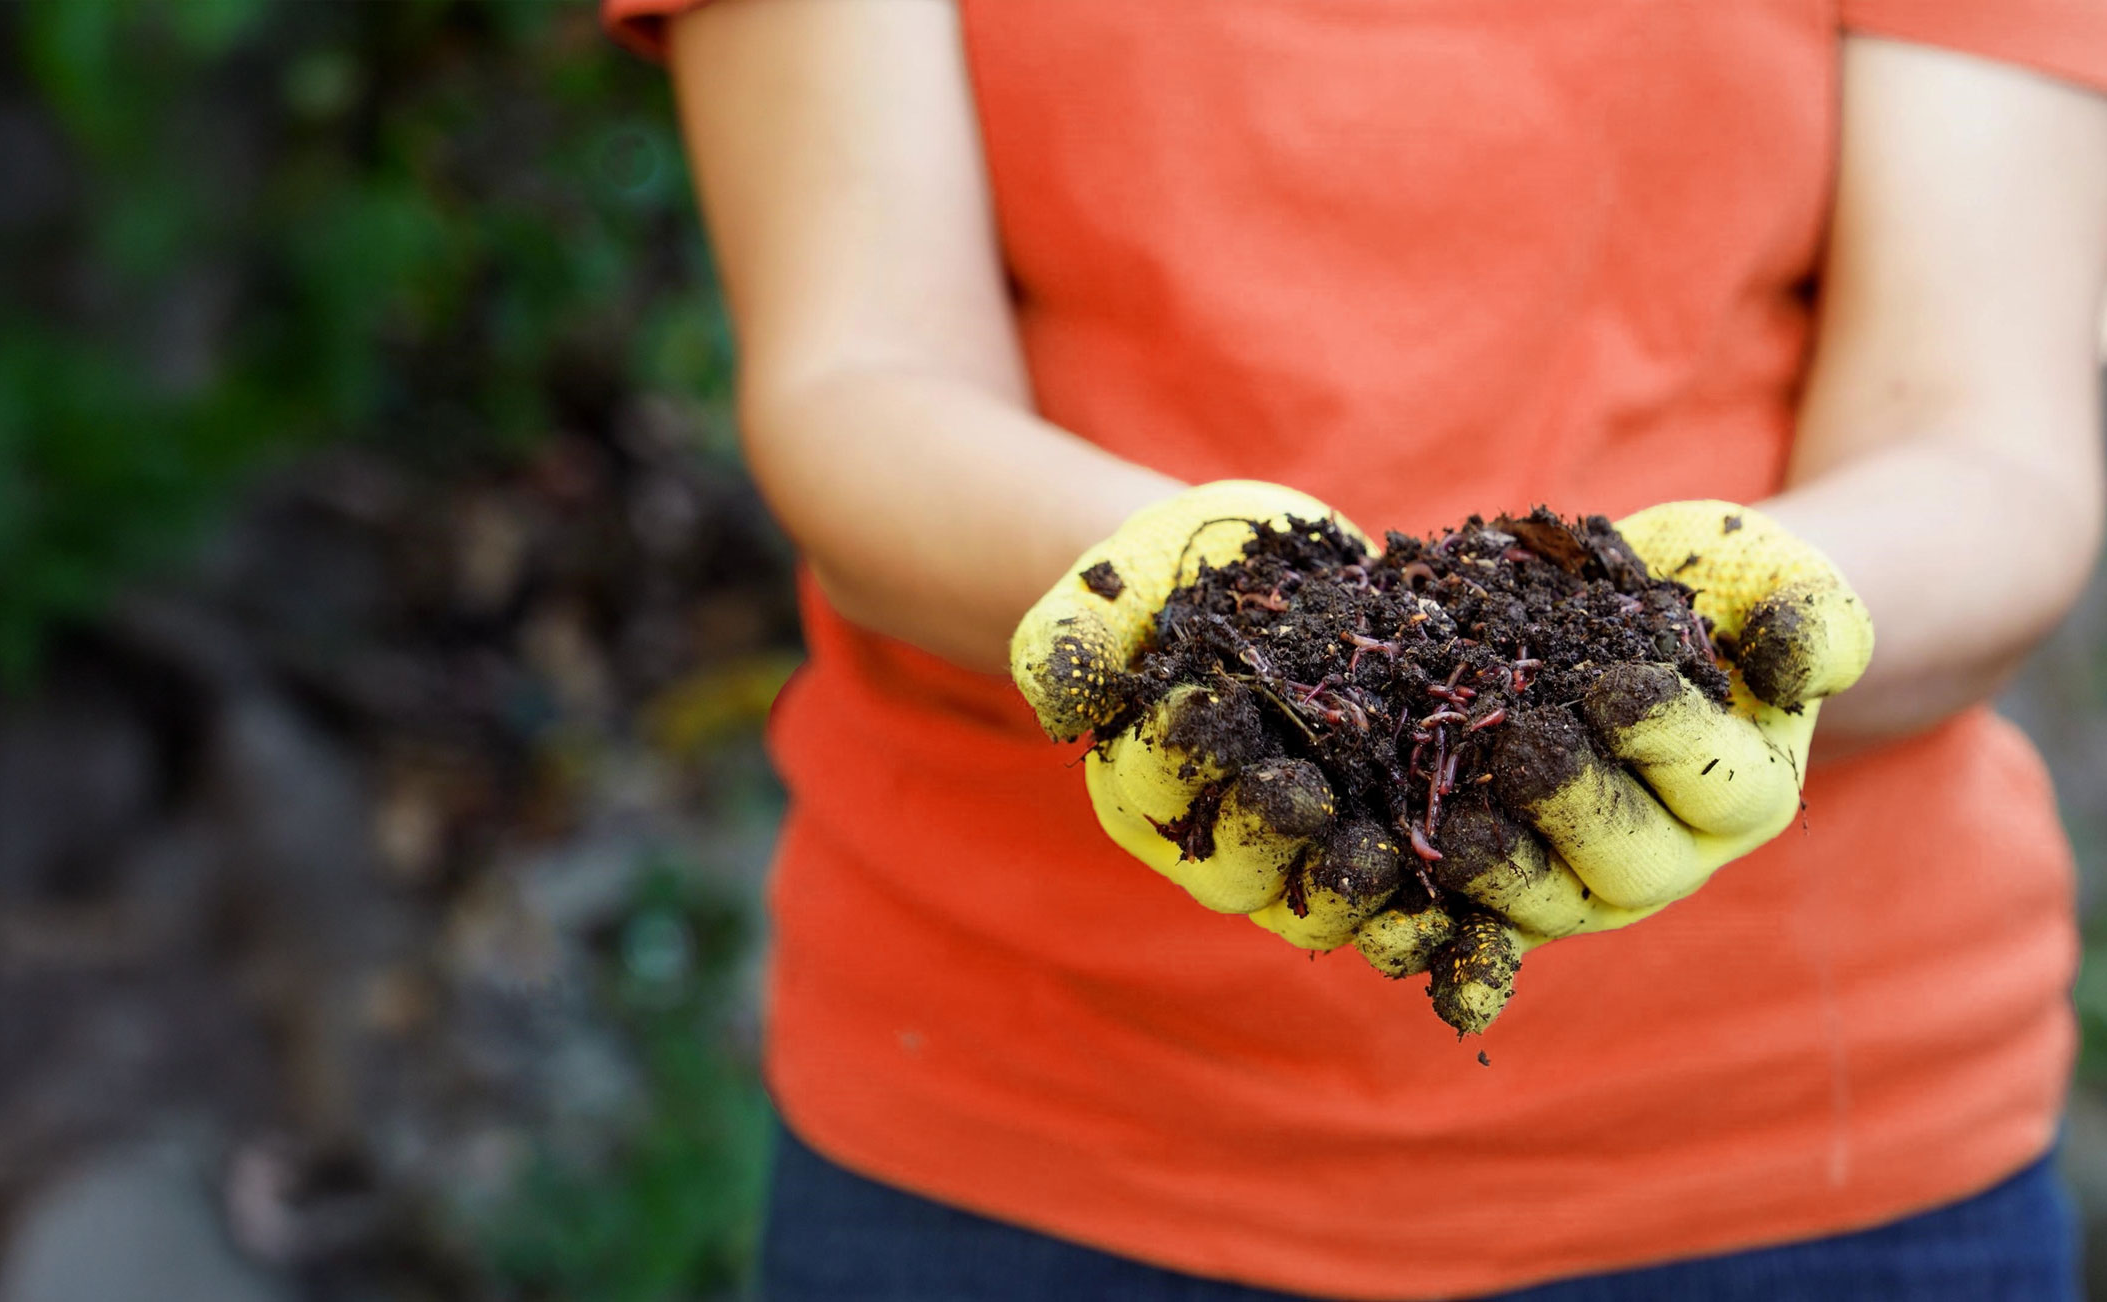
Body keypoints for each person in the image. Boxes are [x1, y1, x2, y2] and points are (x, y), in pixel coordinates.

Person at [606, 0, 2107, 1296]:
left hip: (1816, 1148)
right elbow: (862, 372)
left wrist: (1755, 622)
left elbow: (1978, 436)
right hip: (1017, 1130)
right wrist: (1181, 606)